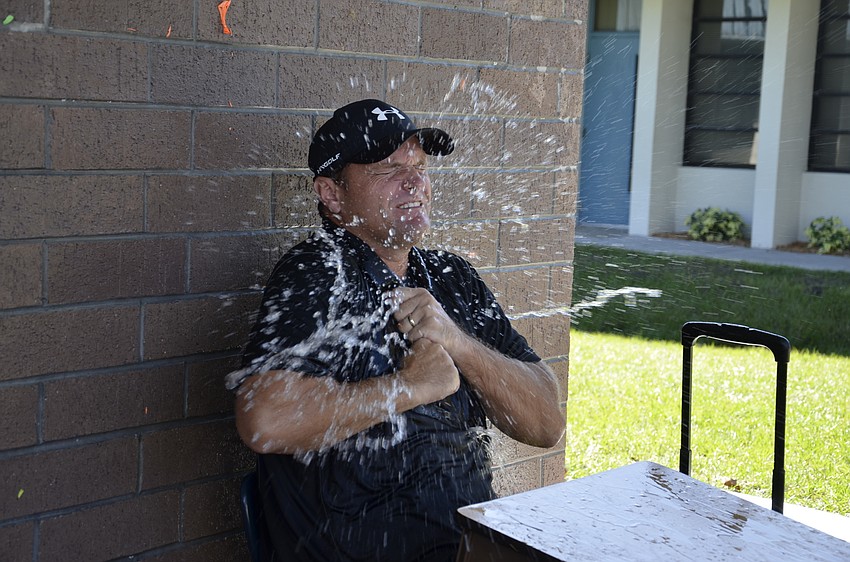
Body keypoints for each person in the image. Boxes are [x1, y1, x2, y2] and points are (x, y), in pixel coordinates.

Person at [228, 99, 564, 561]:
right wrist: (409, 386)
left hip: (473, 547)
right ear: (332, 193)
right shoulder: (318, 272)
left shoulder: (452, 277)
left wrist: (458, 343)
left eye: (420, 167)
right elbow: (264, 421)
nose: (415, 182)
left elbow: (547, 425)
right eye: (388, 169)